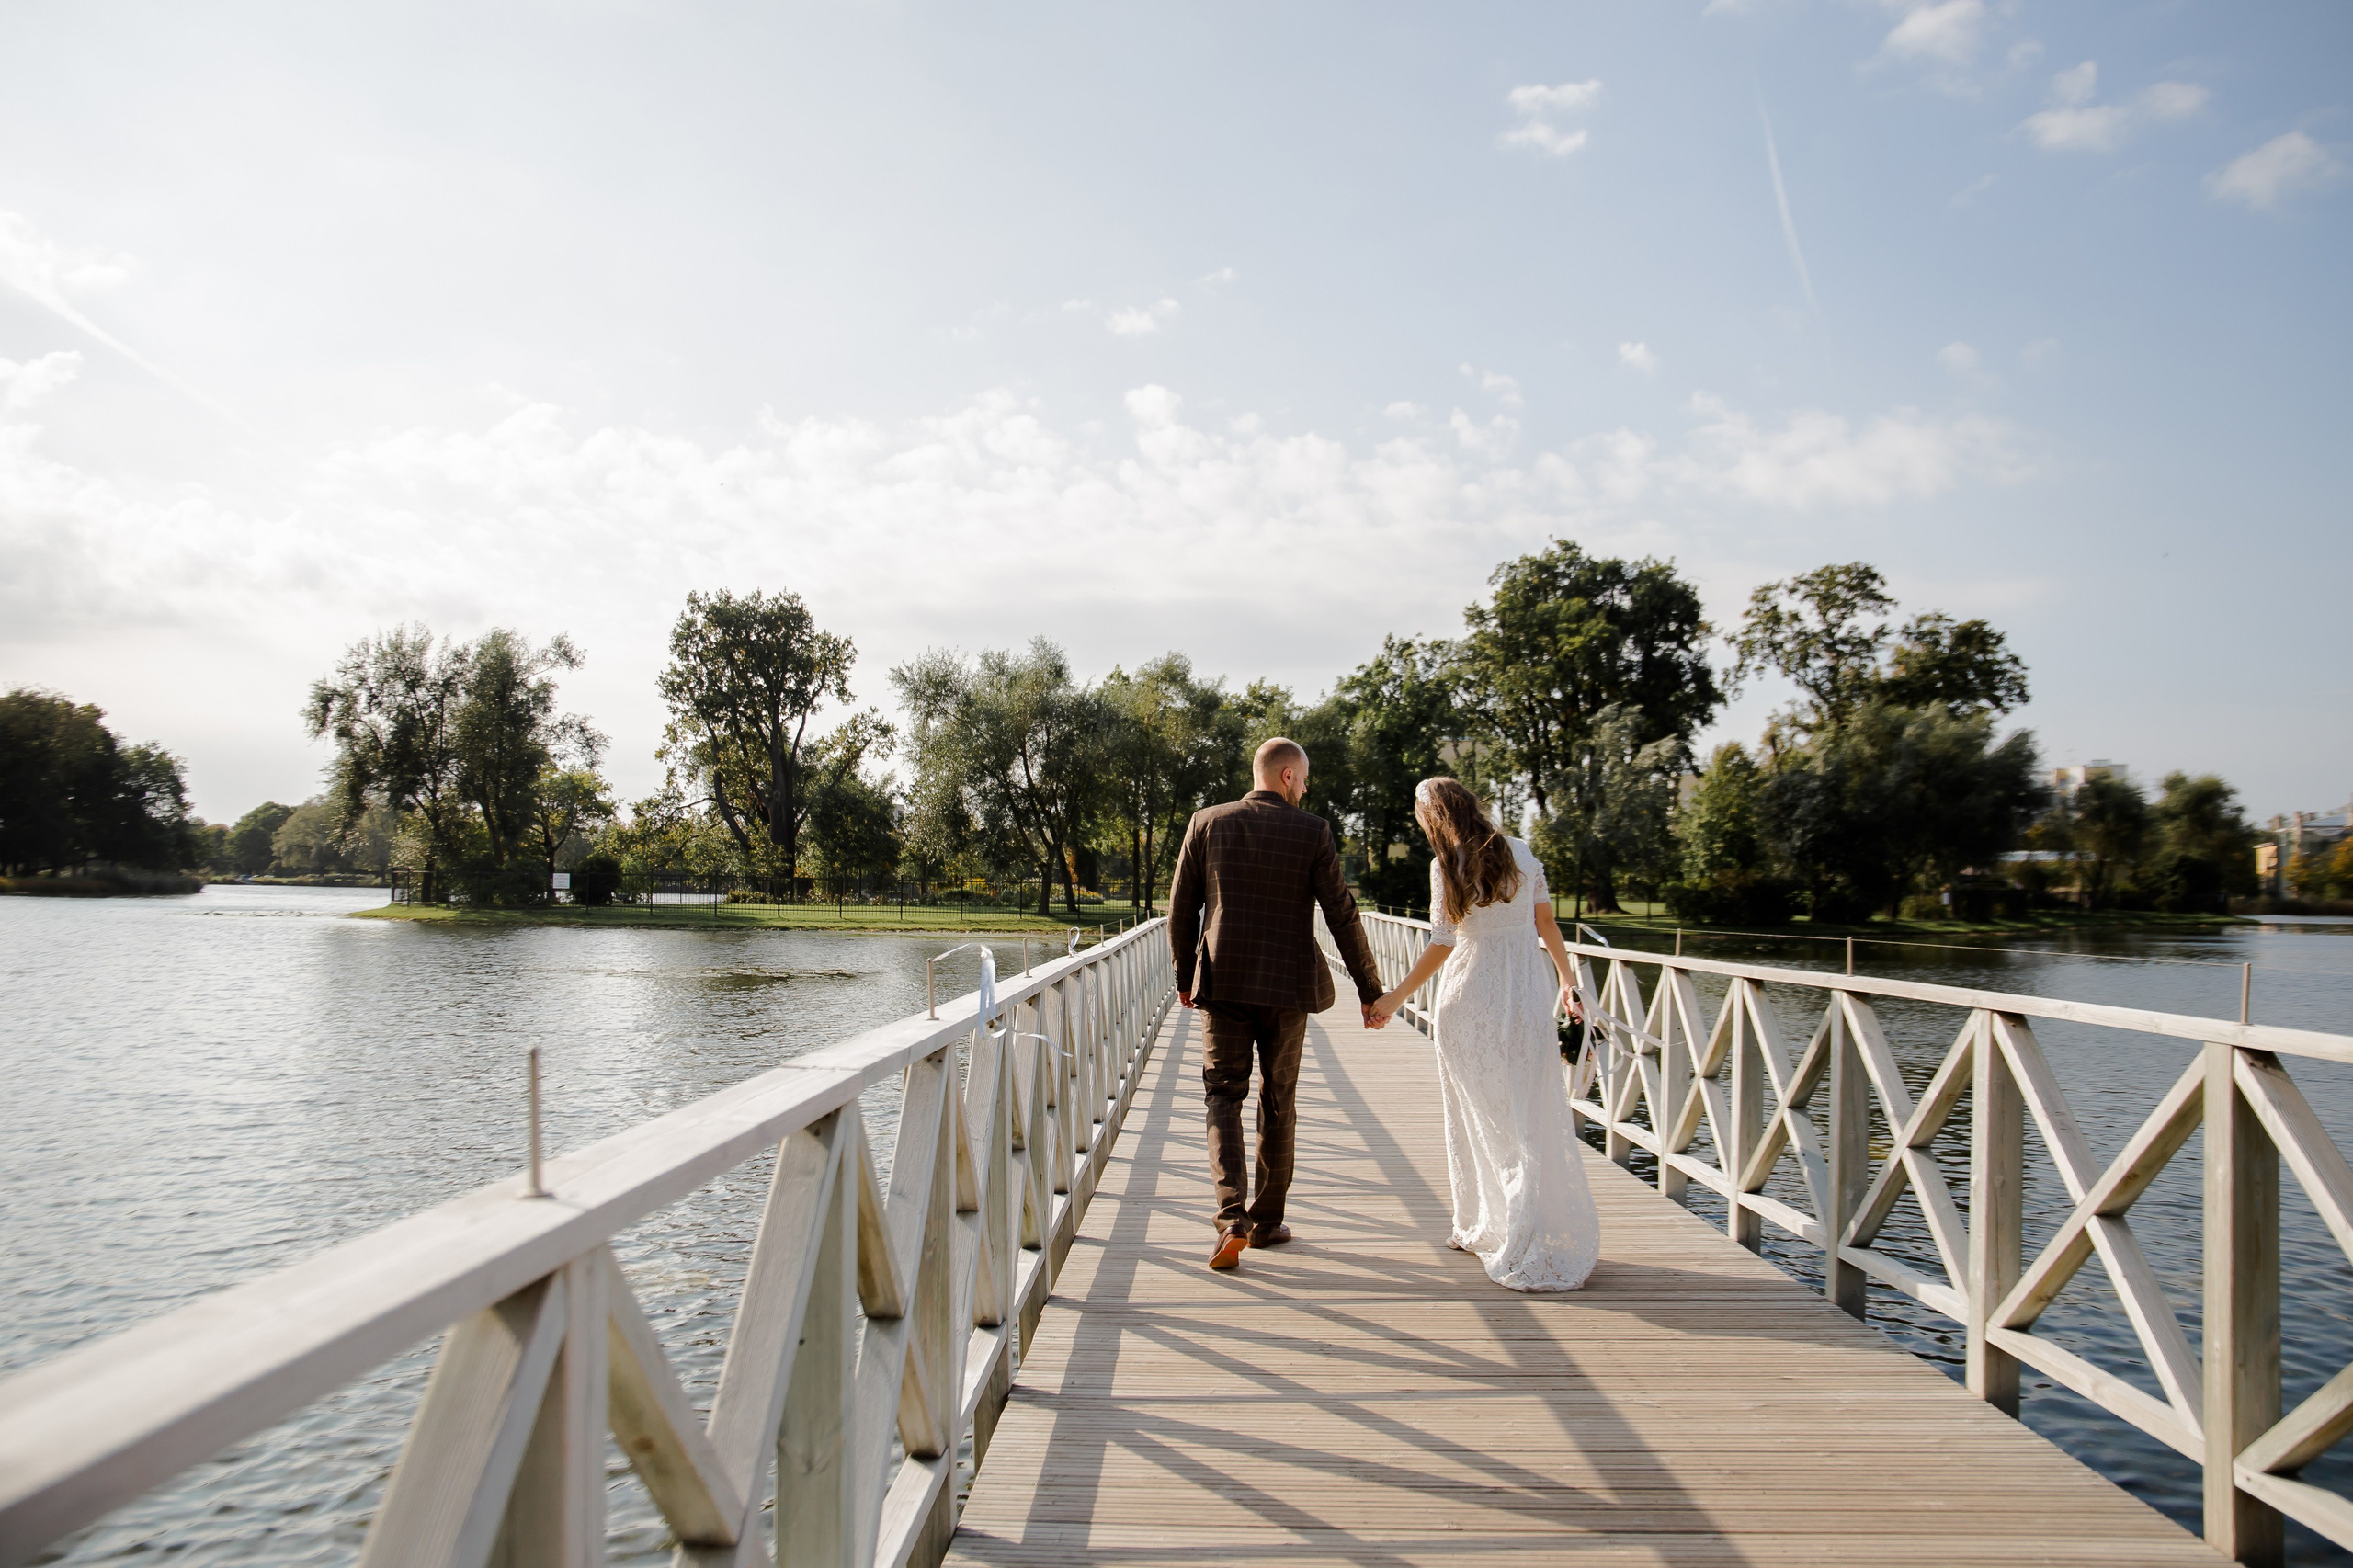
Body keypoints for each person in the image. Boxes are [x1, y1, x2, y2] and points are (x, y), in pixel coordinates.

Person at [1370, 778, 1599, 1291]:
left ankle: (1489, 1224)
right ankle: (1509, 1220)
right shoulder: (1521, 851)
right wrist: (1566, 981)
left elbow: (1443, 942)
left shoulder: (1445, 865)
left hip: (1468, 997)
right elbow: (1547, 925)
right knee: (1524, 1108)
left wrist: (1395, 997)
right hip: (1524, 993)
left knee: (1478, 1111)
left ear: (1435, 817)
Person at [1167, 736, 1387, 1271]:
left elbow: (1181, 909)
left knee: (1223, 1095)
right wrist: (1370, 990)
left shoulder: (1206, 822)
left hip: (1223, 982)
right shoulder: (1312, 831)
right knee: (1279, 1097)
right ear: (1287, 775)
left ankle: (1229, 1216)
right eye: (1304, 778)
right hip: (1288, 987)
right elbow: (1343, 913)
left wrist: (1184, 976)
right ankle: (1266, 1223)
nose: (1306, 788)